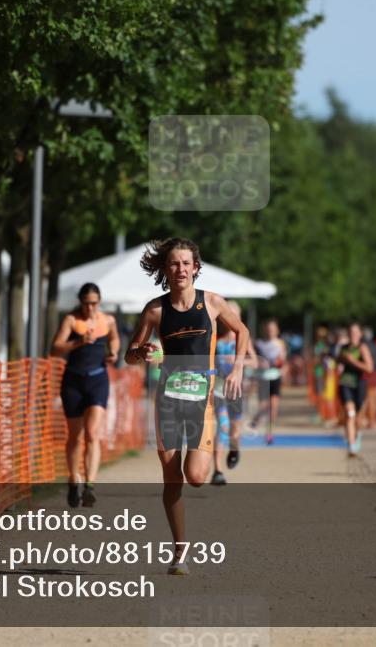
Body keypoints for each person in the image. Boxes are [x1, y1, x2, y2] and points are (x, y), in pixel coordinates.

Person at [124, 238, 249, 575]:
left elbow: (241, 331)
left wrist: (237, 367)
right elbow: (130, 355)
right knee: (171, 479)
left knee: (195, 477)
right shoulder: (155, 310)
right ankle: (179, 552)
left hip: (202, 401)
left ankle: (212, 455)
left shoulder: (212, 304)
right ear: (166, 269)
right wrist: (142, 353)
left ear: (196, 267)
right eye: (174, 264)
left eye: (185, 264)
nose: (180, 269)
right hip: (167, 400)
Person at [50, 283, 120, 508]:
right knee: (75, 436)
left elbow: (115, 340)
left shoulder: (108, 320)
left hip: (98, 379)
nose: (90, 307)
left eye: (94, 303)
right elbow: (55, 349)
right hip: (73, 381)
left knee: (92, 433)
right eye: (86, 303)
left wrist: (114, 353)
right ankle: (73, 479)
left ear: (99, 302)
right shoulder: (71, 320)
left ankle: (90, 485)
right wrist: (78, 342)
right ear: (80, 302)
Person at [212, 300, 258, 484]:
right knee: (222, 426)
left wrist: (238, 361)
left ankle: (234, 448)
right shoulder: (216, 339)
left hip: (236, 389)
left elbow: (255, 362)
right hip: (218, 388)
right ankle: (217, 471)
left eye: (233, 314)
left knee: (234, 429)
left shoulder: (243, 339)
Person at [337, 321, 375, 458]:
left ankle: (357, 434)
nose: (353, 335)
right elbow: (337, 362)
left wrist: (353, 361)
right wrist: (339, 362)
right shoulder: (343, 348)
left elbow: (370, 368)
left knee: (358, 419)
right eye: (350, 333)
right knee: (350, 413)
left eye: (355, 333)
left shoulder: (362, 348)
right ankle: (351, 446)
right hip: (345, 383)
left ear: (360, 334)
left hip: (359, 384)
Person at [252, 319, 287, 445]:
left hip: (275, 377)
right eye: (268, 329)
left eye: (273, 329)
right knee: (263, 406)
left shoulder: (280, 343)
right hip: (263, 378)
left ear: (277, 330)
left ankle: (270, 433)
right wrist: (261, 363)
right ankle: (256, 419)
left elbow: (283, 361)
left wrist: (282, 367)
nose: (270, 331)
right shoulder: (259, 343)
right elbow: (254, 360)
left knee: (273, 407)